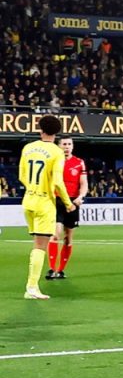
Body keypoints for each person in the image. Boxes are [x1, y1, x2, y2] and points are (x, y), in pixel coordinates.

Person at [19, 116, 76, 299]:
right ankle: (32, 288)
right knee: (40, 246)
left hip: (28, 200)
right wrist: (68, 203)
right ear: (56, 133)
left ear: (40, 129)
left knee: (36, 243)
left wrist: (32, 189)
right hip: (44, 203)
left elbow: (22, 176)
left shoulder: (28, 148)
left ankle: (32, 287)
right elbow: (58, 182)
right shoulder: (57, 152)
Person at [47, 135, 88, 279]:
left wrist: (80, 197)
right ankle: (52, 269)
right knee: (55, 234)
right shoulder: (53, 161)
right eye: (64, 144)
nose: (67, 147)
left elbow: (83, 183)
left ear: (73, 146)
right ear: (58, 146)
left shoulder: (79, 162)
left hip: (73, 202)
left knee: (68, 238)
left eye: (69, 144)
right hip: (57, 200)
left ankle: (61, 270)